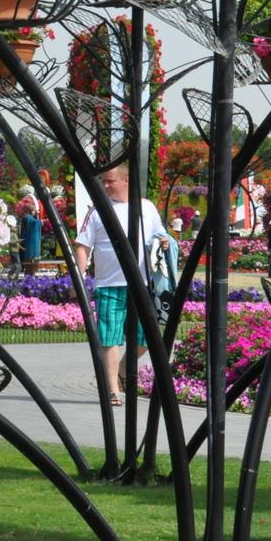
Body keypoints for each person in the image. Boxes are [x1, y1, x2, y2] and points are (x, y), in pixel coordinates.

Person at [74, 165, 173, 407]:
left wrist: (165, 241)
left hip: (141, 285)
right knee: (110, 339)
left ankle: (121, 369)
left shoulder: (146, 208)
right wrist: (80, 274)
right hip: (109, 284)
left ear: (127, 180)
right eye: (103, 182)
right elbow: (82, 245)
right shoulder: (98, 210)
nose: (105, 186)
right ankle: (112, 390)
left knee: (146, 339)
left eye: (110, 181)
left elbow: (162, 235)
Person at [17, 196, 43, 274]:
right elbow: (33, 224)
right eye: (34, 210)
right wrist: (41, 222)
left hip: (30, 241)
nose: (35, 211)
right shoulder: (28, 217)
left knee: (31, 263)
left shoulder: (27, 217)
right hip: (31, 243)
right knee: (30, 262)